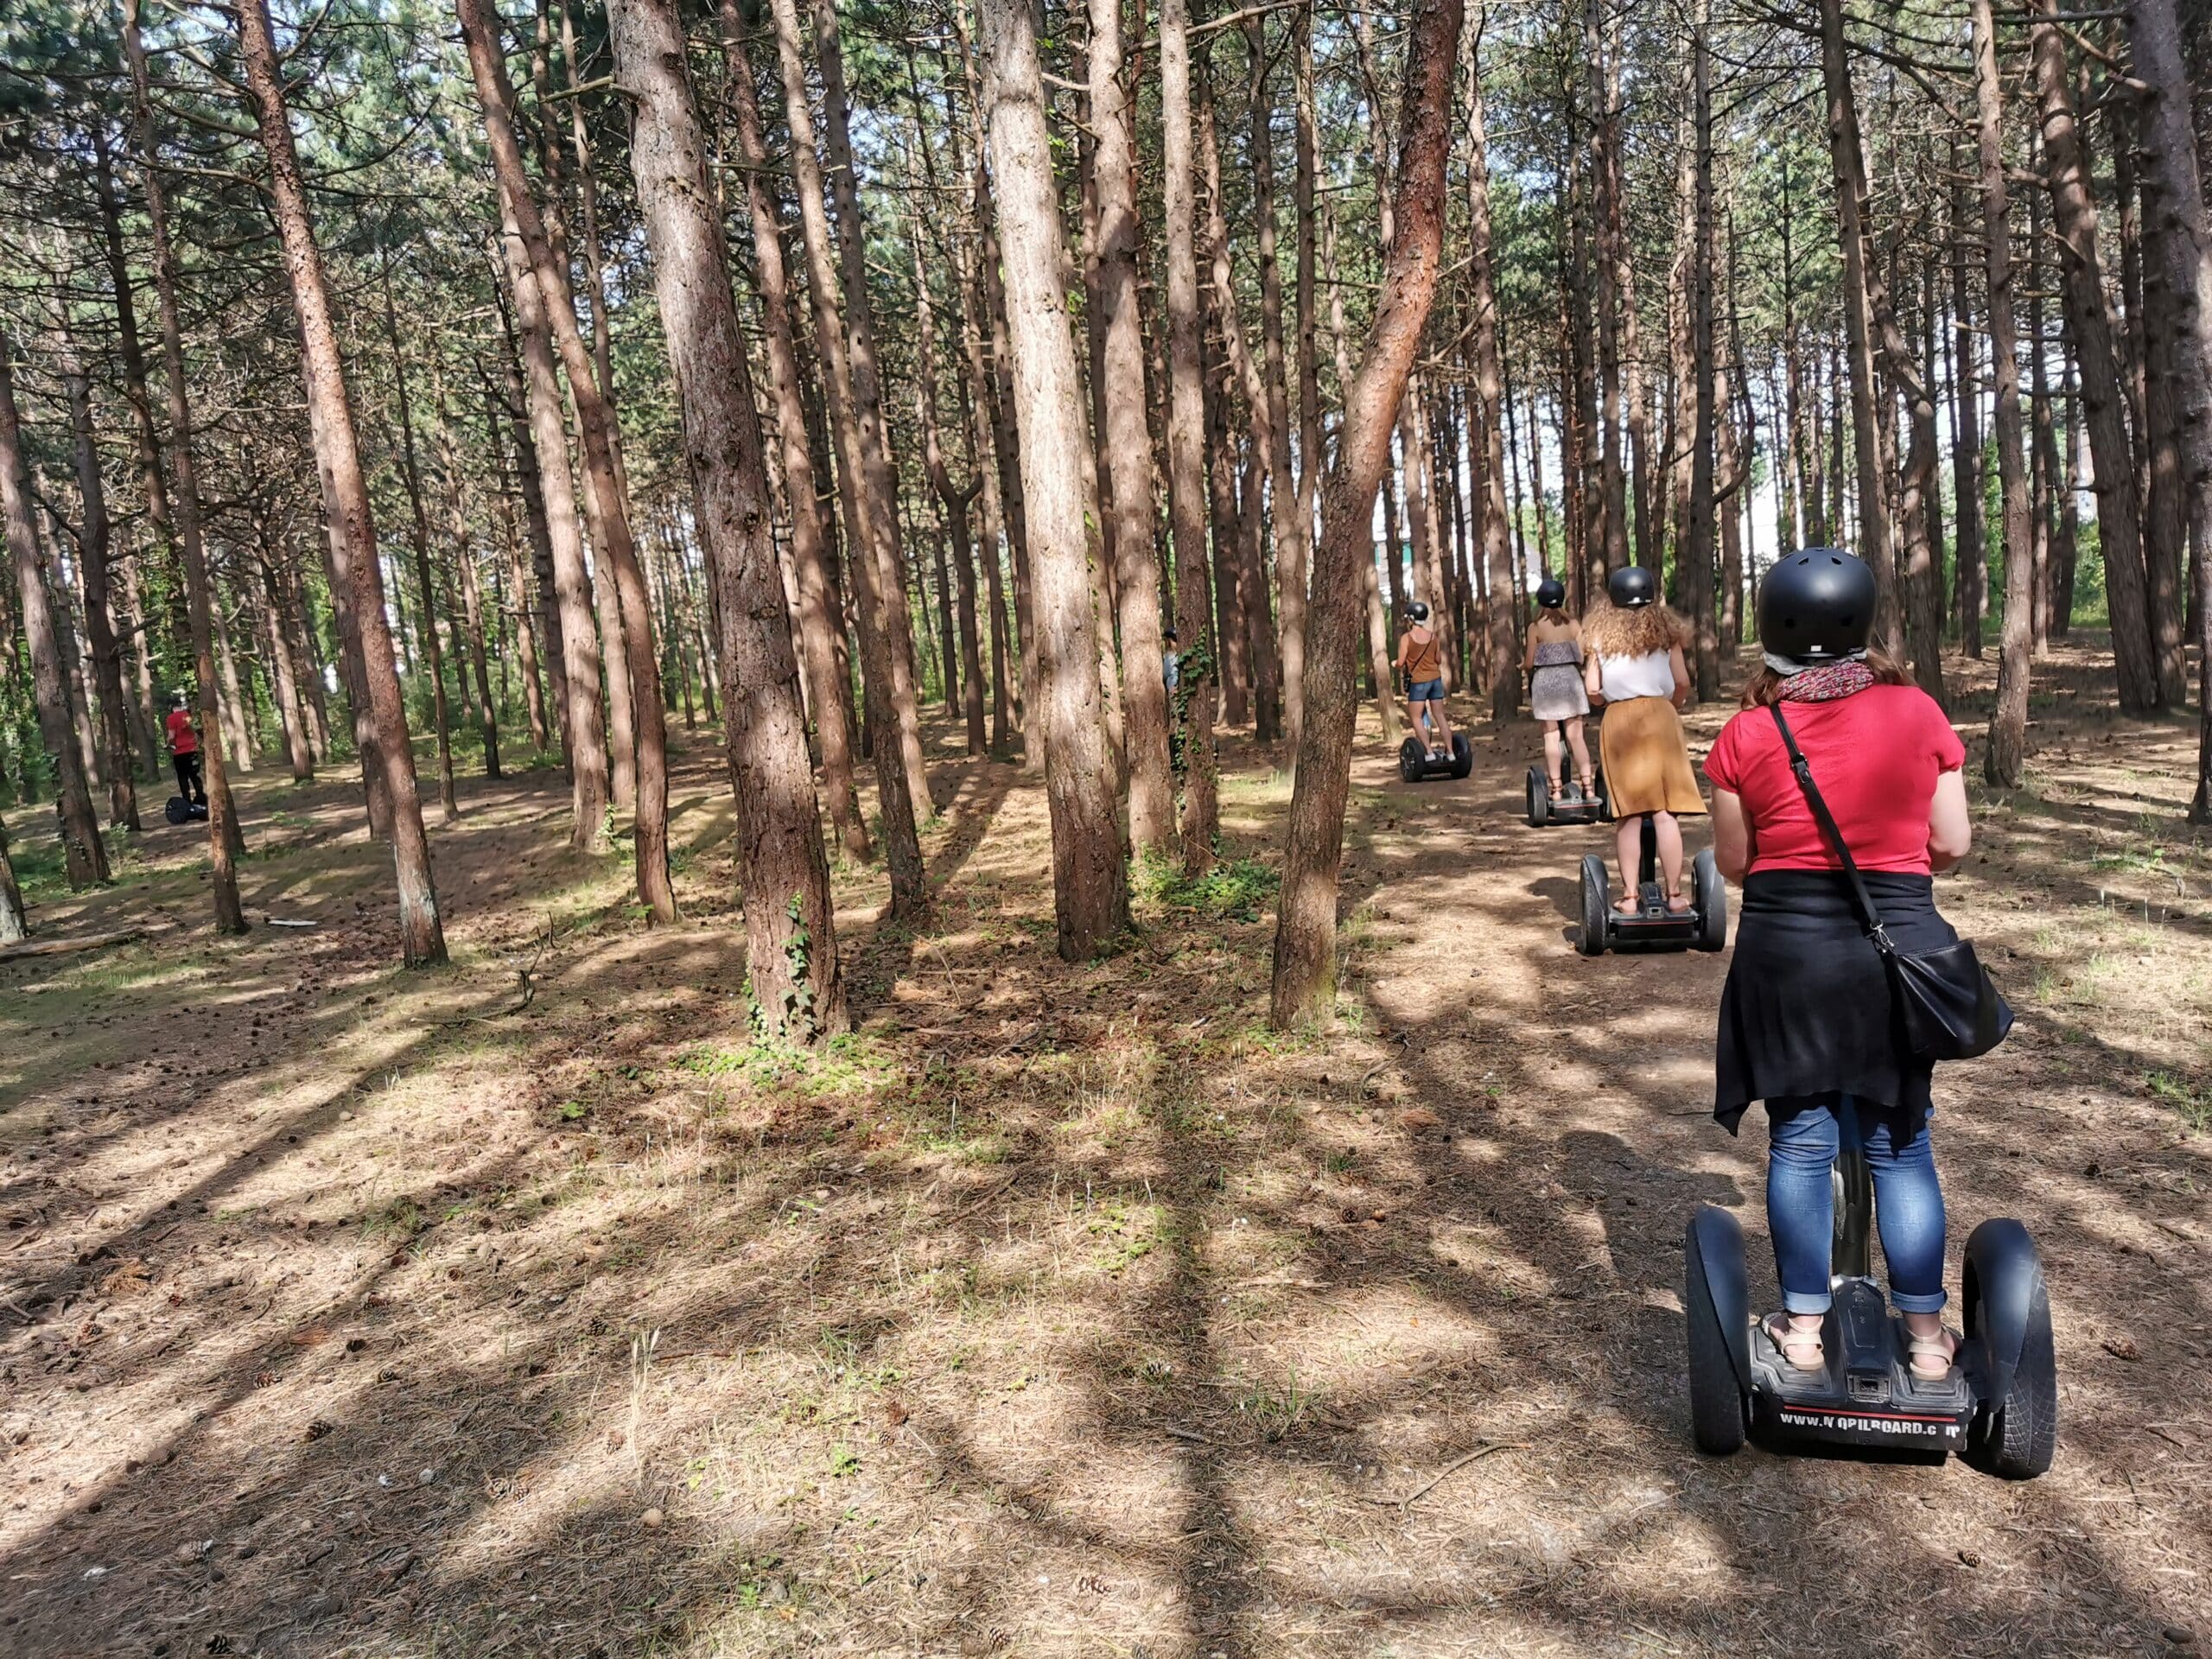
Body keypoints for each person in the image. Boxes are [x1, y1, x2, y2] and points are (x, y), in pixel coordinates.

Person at [1705, 549, 1971, 1381]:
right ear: (1862, 626)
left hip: (1788, 956)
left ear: (1771, 630)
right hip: (1895, 954)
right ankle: (1928, 1342)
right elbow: (1952, 845)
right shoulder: (1918, 712)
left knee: (1801, 1142)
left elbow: (1735, 864)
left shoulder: (1747, 732)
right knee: (1901, 1144)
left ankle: (1806, 1331)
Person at [1581, 567, 1702, 914]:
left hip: (1620, 720)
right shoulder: (1666, 634)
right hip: (1661, 718)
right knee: (1665, 813)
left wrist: (1606, 701)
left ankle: (1631, 898)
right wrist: (1670, 707)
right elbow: (1681, 682)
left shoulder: (1601, 637)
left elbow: (1592, 689)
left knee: (1629, 816)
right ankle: (1676, 896)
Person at [1523, 575, 1592, 803]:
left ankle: (1555, 790)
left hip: (1546, 683)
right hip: (1569, 680)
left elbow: (1530, 662)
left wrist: (1522, 665)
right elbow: (1582, 656)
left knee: (1551, 737)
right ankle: (1588, 787)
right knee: (1577, 737)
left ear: (1541, 601)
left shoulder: (1535, 628)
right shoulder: (1573, 625)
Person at [1395, 601, 1453, 760]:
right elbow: (1438, 659)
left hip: (1419, 682)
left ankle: (1428, 752)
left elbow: (1401, 662)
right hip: (1435, 680)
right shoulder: (1433, 636)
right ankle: (1451, 752)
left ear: (1411, 619)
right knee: (1440, 716)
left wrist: (1395, 663)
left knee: (1416, 717)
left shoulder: (1407, 638)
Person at [164, 690, 206, 808]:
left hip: (180, 752)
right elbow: (194, 728)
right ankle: (201, 797)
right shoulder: (187, 716)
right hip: (192, 750)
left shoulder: (171, 718)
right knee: (195, 775)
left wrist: (168, 745)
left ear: (171, 707)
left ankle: (187, 801)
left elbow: (172, 735)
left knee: (183, 777)